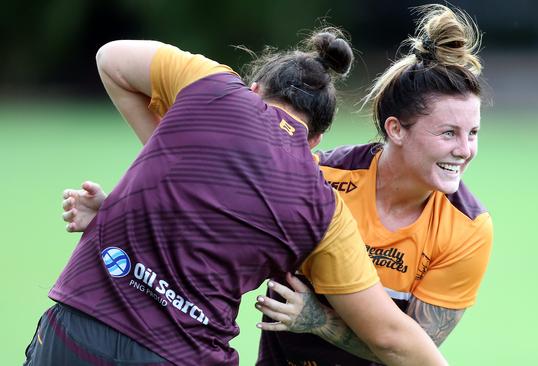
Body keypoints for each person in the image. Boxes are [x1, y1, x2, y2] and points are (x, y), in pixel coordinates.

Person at [25, 28, 447, 366]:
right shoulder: (324, 211)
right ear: (315, 140)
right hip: (182, 354)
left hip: (76, 329)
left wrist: (167, 165)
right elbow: (390, 338)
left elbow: (111, 57)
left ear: (257, 89)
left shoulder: (214, 87)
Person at [253, 4, 494, 365]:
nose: (465, 150)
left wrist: (319, 321)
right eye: (448, 133)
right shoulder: (321, 176)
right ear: (396, 129)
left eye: (472, 133)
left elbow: (409, 353)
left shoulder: (467, 228)